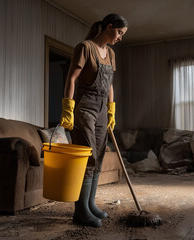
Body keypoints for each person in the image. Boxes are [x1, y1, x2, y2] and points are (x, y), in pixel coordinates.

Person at [59, 13, 128, 227]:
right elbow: (71, 78)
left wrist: (111, 111)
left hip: (100, 111)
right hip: (84, 108)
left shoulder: (111, 53)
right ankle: (80, 211)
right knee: (86, 157)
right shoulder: (85, 47)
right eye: (119, 32)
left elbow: (109, 85)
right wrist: (67, 108)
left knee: (98, 155)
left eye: (122, 34)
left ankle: (90, 204)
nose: (120, 38)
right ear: (108, 27)